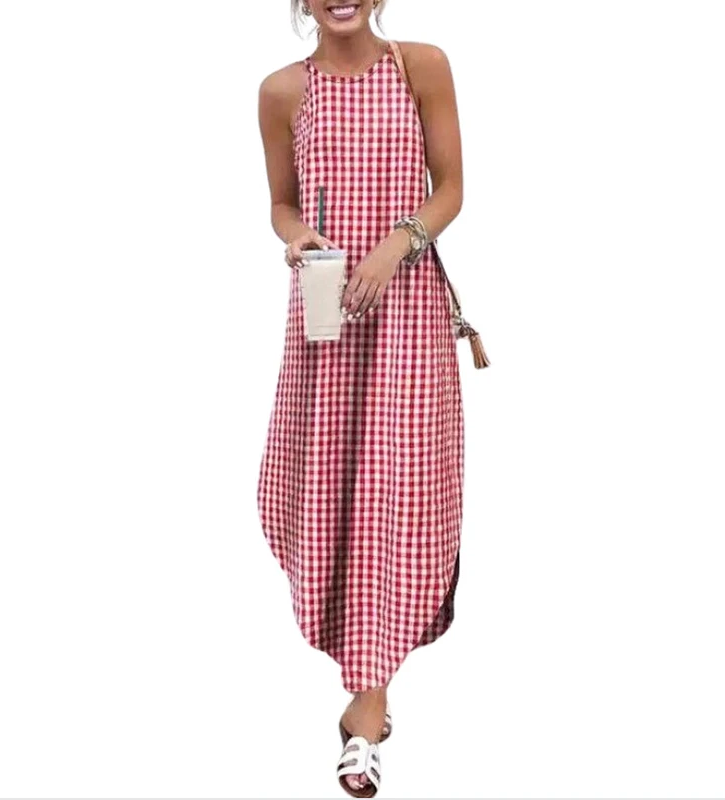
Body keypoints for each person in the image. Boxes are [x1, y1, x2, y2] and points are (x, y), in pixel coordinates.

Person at [256, 1, 464, 795]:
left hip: (406, 316)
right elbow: (281, 202)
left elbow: (451, 189)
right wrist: (295, 236)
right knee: (328, 493)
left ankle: (367, 711)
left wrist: (395, 245)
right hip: (325, 319)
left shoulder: (421, 66)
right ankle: (364, 690)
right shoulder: (282, 91)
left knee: (392, 497)